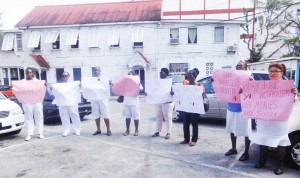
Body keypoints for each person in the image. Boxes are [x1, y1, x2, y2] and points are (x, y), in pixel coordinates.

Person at [248, 62, 298, 175]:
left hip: (280, 121)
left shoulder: (288, 86)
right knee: (263, 140)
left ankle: (280, 165)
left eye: (276, 71)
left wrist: (294, 94)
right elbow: (252, 97)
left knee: (281, 142)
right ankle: (262, 161)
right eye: (271, 71)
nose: (272, 73)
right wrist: (244, 91)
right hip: (264, 119)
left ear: (282, 73)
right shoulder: (262, 85)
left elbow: (293, 101)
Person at [223, 61, 251, 161]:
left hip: (244, 109)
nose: (238, 68)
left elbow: (254, 93)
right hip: (231, 107)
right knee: (232, 129)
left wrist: (247, 88)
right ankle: (233, 148)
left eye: (241, 67)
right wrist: (215, 81)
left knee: (247, 131)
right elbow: (221, 85)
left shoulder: (250, 78)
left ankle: (246, 152)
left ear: (245, 68)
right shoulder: (231, 78)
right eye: (237, 66)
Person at [180, 69, 205, 146]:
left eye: (191, 75)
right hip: (186, 108)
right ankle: (186, 139)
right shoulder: (185, 86)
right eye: (188, 74)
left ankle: (194, 140)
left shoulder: (199, 85)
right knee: (185, 124)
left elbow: (203, 94)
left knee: (194, 124)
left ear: (195, 76)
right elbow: (181, 95)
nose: (189, 76)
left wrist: (202, 94)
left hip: (195, 108)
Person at [21, 68, 44, 141]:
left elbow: (42, 90)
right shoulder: (22, 82)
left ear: (32, 73)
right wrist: (12, 86)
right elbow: (17, 89)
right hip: (27, 101)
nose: (28, 74)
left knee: (39, 116)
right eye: (27, 73)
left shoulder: (37, 81)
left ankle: (40, 133)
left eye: (30, 73)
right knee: (28, 117)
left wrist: (44, 85)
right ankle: (29, 133)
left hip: (37, 101)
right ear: (25, 73)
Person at [56, 72, 81, 137]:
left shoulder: (72, 84)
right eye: (63, 76)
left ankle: (77, 129)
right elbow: (54, 91)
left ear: (68, 76)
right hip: (63, 103)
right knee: (64, 117)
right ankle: (66, 130)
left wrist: (79, 85)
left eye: (66, 76)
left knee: (75, 116)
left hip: (71, 102)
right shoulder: (60, 86)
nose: (64, 77)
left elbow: (78, 90)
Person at [152, 68, 174, 139]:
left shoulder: (170, 82)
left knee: (168, 117)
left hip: (167, 103)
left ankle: (168, 133)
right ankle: (157, 131)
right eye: (160, 73)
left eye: (162, 73)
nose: (160, 74)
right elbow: (153, 91)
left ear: (166, 74)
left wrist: (172, 92)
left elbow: (174, 92)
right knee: (158, 117)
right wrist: (148, 93)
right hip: (158, 101)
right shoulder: (157, 82)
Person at [91, 66, 112, 136]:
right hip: (94, 99)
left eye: (97, 70)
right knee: (96, 114)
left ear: (100, 71)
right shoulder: (91, 79)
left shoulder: (104, 78)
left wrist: (110, 82)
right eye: (94, 70)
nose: (96, 71)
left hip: (103, 99)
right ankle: (98, 129)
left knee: (105, 114)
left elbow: (110, 83)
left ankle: (108, 129)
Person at [123, 71, 142, 136]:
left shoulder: (137, 82)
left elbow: (141, 90)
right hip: (126, 102)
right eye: (128, 75)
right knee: (127, 117)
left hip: (134, 102)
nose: (129, 77)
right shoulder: (125, 83)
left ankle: (136, 130)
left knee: (136, 116)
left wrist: (138, 86)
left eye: (130, 75)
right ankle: (127, 130)